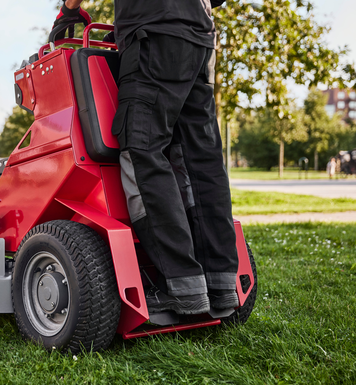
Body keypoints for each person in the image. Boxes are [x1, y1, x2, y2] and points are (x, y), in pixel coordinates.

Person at [53, 0, 238, 315]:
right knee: (199, 158)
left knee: (142, 149)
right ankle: (220, 285)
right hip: (200, 39)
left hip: (153, 36)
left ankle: (182, 285)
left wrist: (70, 10)